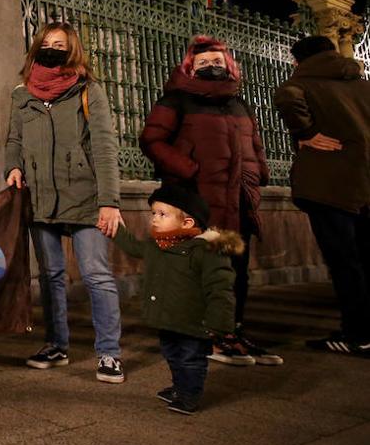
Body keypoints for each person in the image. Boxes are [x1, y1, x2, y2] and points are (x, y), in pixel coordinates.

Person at [139, 35, 280, 365]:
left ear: (228, 65)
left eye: (217, 61)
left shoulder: (238, 102)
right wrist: (188, 169)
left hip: (239, 199)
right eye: (203, 63)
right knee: (206, 271)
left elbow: (255, 143)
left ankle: (231, 332)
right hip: (200, 200)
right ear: (190, 67)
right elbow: (152, 139)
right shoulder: (176, 99)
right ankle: (207, 337)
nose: (211, 66)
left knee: (236, 271)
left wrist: (259, 172)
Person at [4, 22, 127, 384]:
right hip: (40, 198)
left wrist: (110, 202)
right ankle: (56, 345)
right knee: (51, 276)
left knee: (96, 275)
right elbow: (14, 138)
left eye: (60, 44)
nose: (52, 48)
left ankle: (109, 353)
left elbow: (105, 147)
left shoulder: (88, 91)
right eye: (46, 42)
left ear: (72, 49)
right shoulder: (21, 94)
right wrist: (11, 166)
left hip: (86, 197)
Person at [273, 34, 370, 356]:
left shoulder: (302, 83)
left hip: (329, 189)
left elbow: (287, 98)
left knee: (345, 263)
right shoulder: (362, 85)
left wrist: (306, 133)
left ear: (300, 60)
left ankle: (357, 334)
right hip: (365, 185)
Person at [113, 184, 241, 415]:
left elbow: (220, 289)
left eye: (162, 214)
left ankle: (190, 395)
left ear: (187, 222)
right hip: (168, 319)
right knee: (172, 355)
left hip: (194, 322)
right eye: (153, 213)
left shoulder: (206, 250)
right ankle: (179, 387)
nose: (154, 219)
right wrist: (115, 228)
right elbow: (133, 247)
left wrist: (219, 324)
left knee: (191, 359)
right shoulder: (157, 245)